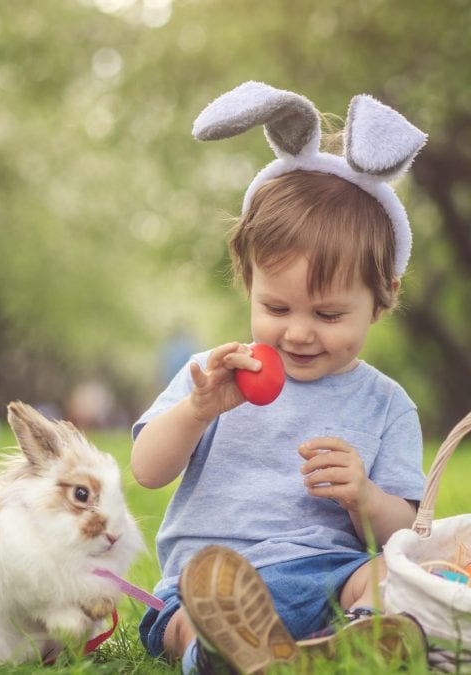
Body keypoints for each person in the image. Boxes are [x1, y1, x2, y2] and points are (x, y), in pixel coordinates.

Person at [130, 81, 430, 673]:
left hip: (329, 574)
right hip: (215, 575)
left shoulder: (388, 406)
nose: (297, 333)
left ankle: (364, 637)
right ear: (248, 282)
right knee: (190, 611)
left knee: (386, 573)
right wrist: (197, 409)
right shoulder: (217, 377)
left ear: (382, 297)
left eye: (328, 314)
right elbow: (146, 471)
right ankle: (215, 649)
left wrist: (365, 496)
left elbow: (409, 529)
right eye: (276, 308)